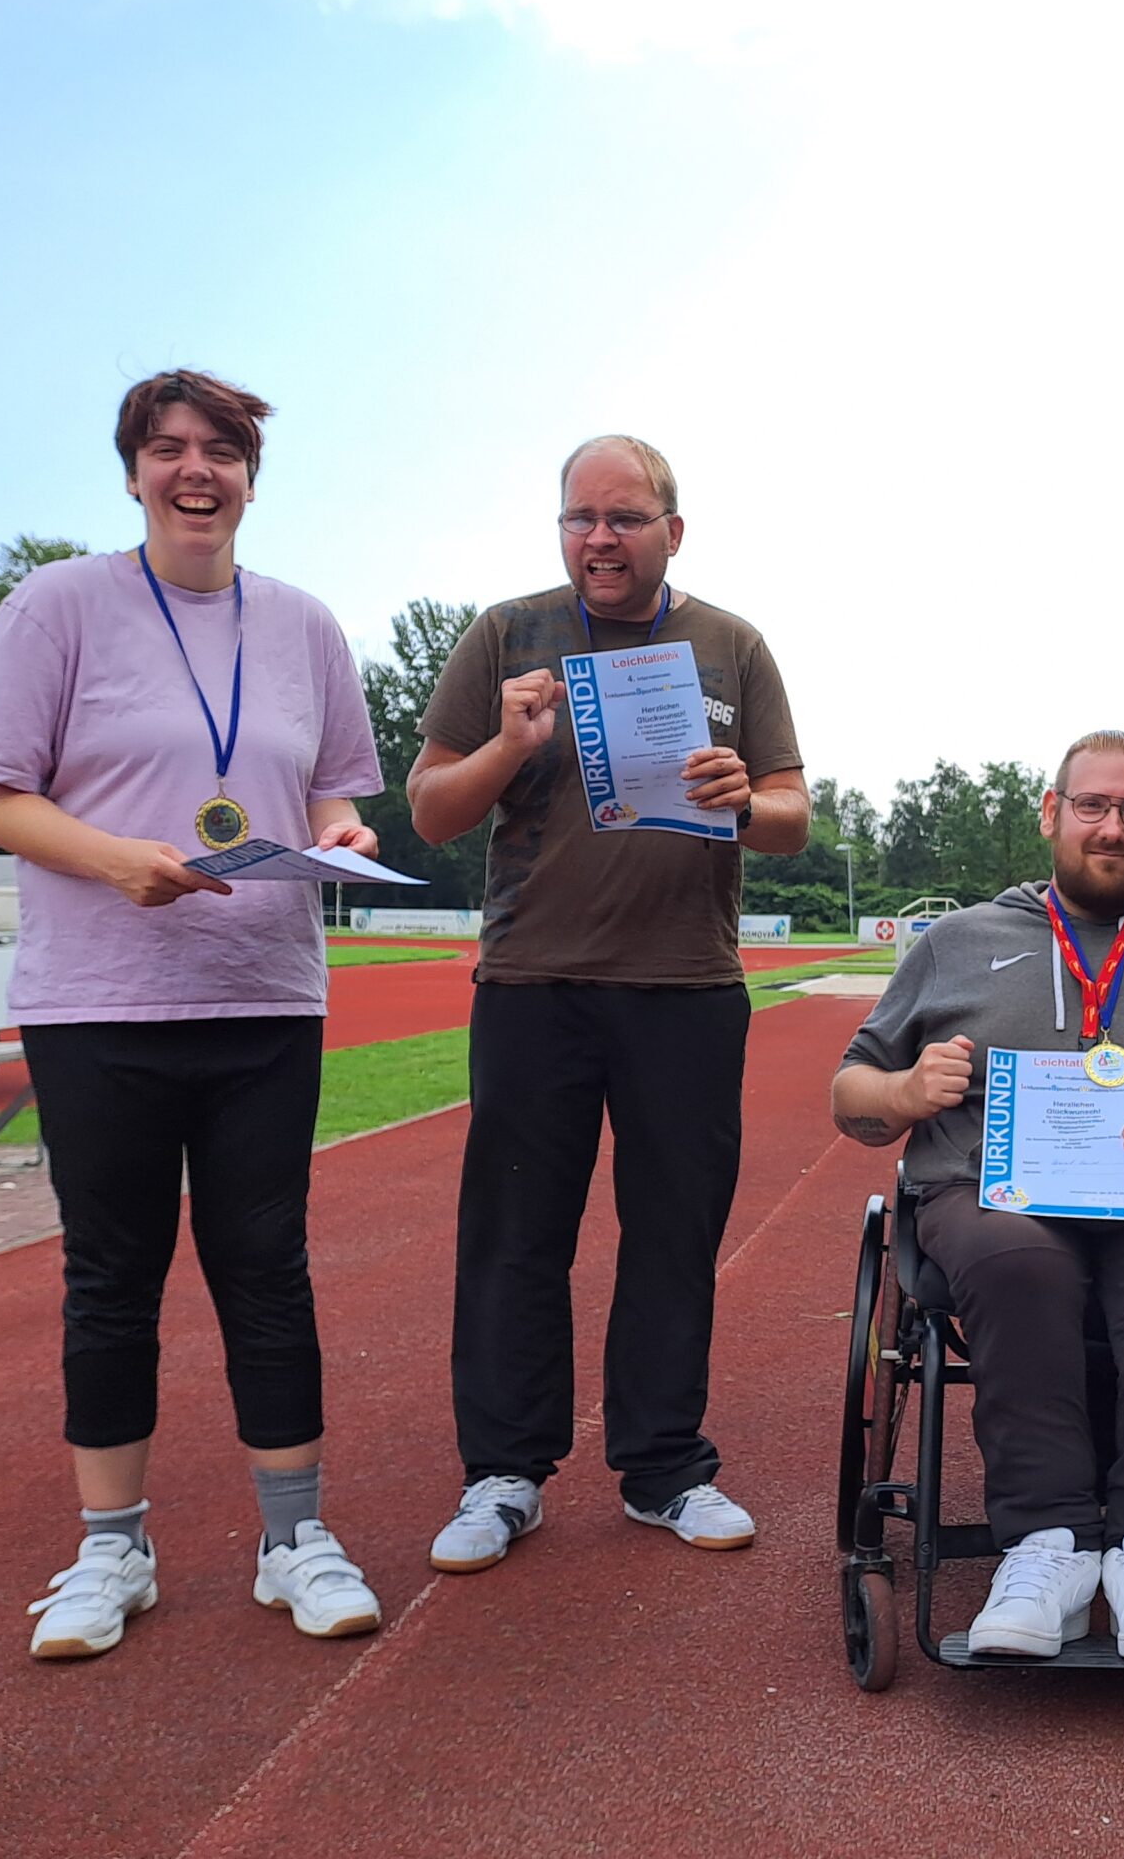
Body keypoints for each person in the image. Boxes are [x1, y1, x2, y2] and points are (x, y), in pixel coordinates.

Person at [0, 370, 388, 1659]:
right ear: (134, 470)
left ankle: (293, 1540)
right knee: (111, 1275)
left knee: (267, 1267)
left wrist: (341, 835)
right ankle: (112, 1550)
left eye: (221, 451)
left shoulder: (304, 625)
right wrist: (115, 862)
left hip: (264, 997)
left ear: (251, 477)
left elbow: (333, 793)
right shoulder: (55, 605)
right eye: (168, 448)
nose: (196, 470)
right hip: (100, 1000)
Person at [409, 435, 809, 1572]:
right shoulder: (506, 633)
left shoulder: (731, 645)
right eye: (579, 518)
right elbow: (431, 809)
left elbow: (794, 815)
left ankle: (664, 1467)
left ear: (671, 532)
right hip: (533, 983)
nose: (599, 538)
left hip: (686, 986)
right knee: (514, 1237)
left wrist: (744, 801)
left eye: (625, 518)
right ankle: (503, 1472)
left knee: (674, 1237)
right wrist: (506, 745)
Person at [830, 732, 1124, 1661]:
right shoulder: (957, 941)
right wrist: (905, 1090)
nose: (1112, 827)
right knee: (1019, 1262)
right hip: (996, 1201)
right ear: (1052, 814)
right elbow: (851, 1092)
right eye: (1092, 805)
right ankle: (1045, 1546)